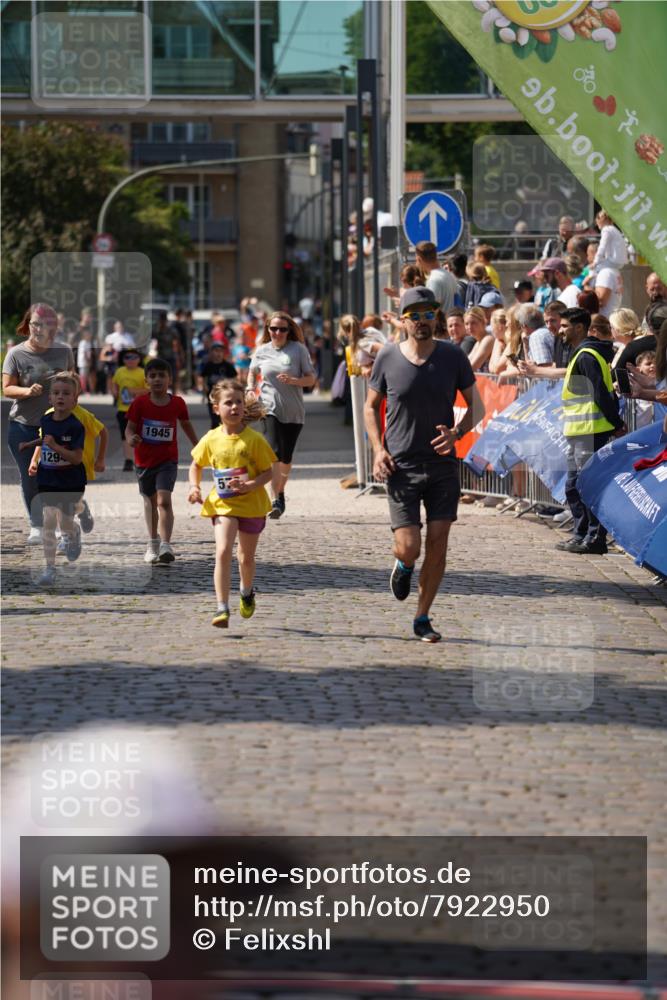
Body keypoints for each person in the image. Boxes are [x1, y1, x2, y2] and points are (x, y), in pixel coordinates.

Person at [364, 286, 482, 643]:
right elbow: (370, 407)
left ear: (437, 316)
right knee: (410, 545)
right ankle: (403, 564)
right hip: (401, 464)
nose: (422, 321)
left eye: (428, 313)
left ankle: (422, 615)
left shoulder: (452, 357)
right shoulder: (387, 357)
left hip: (443, 464)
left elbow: (478, 406)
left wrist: (457, 433)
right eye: (414, 315)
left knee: (439, 542)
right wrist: (377, 450)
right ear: (403, 320)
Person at [188, 380, 276, 628]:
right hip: (223, 505)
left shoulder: (254, 440)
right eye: (228, 403)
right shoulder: (211, 438)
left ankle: (246, 591)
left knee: (245, 558)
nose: (235, 407)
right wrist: (195, 487)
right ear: (216, 408)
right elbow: (195, 465)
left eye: (238, 402)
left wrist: (251, 485)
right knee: (223, 551)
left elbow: (269, 472)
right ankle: (221, 607)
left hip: (252, 505)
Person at [2, 303, 75, 544]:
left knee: (54, 476)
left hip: (56, 425)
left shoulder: (64, 351)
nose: (39, 329)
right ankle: (36, 525)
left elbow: (74, 383)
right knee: (30, 476)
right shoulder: (16, 354)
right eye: (35, 323)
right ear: (28, 325)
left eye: (45, 325)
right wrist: (26, 390)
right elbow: (6, 388)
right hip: (24, 426)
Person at [555, 307, 623, 556]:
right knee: (574, 487)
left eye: (564, 326)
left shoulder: (585, 355)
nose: (560, 330)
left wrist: (616, 423)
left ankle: (594, 537)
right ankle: (582, 534)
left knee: (584, 487)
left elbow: (600, 393)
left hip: (591, 431)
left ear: (579, 328)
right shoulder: (581, 353)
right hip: (581, 431)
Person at [125, 359, 198, 565]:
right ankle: (152, 543)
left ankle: (166, 544)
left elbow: (186, 424)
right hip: (144, 460)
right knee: (149, 502)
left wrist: (198, 445)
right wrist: (131, 438)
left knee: (163, 500)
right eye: (153, 375)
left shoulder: (177, 403)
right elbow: (129, 428)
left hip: (168, 460)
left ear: (170, 379)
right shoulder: (139, 403)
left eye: (162, 375)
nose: (157, 379)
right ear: (146, 380)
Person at [247, 311, 317, 520]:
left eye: (282, 329)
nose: (277, 332)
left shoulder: (298, 350)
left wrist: (294, 381)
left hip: (294, 411)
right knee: (274, 452)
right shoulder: (262, 350)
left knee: (285, 457)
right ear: (268, 329)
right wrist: (250, 388)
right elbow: (252, 371)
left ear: (289, 331)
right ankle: (275, 498)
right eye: (273, 328)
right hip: (268, 407)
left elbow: (311, 379)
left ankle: (280, 490)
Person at [27, 372, 87, 585]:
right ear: (50, 399)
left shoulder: (76, 426)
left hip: (71, 481)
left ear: (74, 399)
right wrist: (35, 459)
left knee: (66, 521)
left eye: (66, 393)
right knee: (49, 521)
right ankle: (50, 568)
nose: (60, 397)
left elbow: (77, 458)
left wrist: (55, 447)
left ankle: (73, 532)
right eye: (56, 393)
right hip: (48, 478)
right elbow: (44, 441)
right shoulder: (45, 419)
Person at [111, 348, 147, 471]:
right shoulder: (120, 371)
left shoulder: (142, 372)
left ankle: (139, 459)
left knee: (138, 436)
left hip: (139, 410)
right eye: (127, 357)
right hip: (123, 409)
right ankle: (128, 460)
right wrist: (114, 392)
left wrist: (135, 391)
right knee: (124, 435)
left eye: (134, 357)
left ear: (139, 359)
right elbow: (114, 383)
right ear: (123, 359)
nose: (130, 360)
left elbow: (149, 390)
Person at [199, 343, 237, 428]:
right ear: (211, 352)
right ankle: (215, 430)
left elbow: (234, 377)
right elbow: (203, 377)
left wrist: (233, 389)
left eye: (220, 351)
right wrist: (204, 387)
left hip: (225, 395)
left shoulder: (227, 366)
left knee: (223, 414)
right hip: (212, 394)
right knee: (214, 415)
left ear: (223, 353)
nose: (218, 353)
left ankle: (223, 428)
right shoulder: (208, 365)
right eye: (216, 351)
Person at [415, 240, 458, 313]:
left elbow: (431, 312)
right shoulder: (448, 275)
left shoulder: (433, 280)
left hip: (443, 323)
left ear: (419, 259)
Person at [464, 306, 494, 372]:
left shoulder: (488, 339)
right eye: (466, 324)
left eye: (473, 323)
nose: (469, 327)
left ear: (483, 322)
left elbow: (472, 367)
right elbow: (466, 364)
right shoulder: (478, 342)